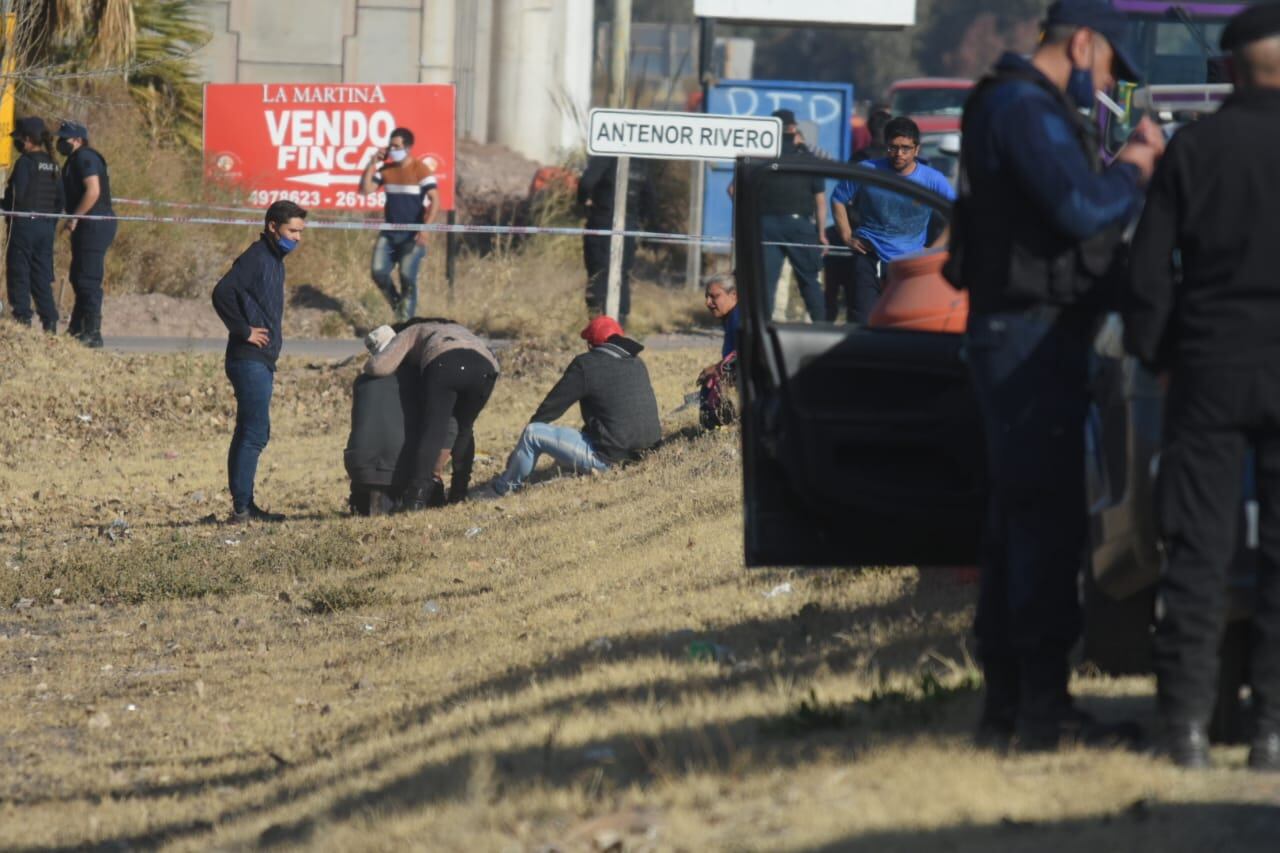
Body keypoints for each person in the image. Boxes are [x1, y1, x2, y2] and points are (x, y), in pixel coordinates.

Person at [944, 0, 1163, 750]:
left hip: (1025, 329)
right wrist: (1134, 169)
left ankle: (1011, 706)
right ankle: (1041, 709)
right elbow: (1079, 207)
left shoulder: (1010, 105)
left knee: (1018, 520)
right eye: (1107, 70)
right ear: (1083, 43)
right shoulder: (1022, 109)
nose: (1106, 87)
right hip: (1028, 335)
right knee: (1043, 521)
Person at [1125, 4, 1280, 771]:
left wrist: (1157, 351)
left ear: (1227, 69)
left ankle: (1185, 726)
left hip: (1211, 365)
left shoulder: (1195, 149)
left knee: (1197, 549)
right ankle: (1272, 731)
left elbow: (1149, 269)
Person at [211, 200, 308, 524]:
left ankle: (244, 505)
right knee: (254, 433)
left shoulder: (274, 259)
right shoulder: (257, 257)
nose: (297, 238)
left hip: (261, 360)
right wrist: (243, 330)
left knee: (252, 432)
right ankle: (242, 508)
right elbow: (222, 292)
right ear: (272, 227)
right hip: (248, 359)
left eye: (300, 232)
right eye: (292, 230)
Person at [492, 316, 661, 495]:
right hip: (649, 453)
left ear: (591, 344)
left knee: (532, 434)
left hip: (610, 459)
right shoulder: (637, 363)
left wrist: (519, 448)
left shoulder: (586, 364)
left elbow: (552, 407)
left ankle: (503, 489)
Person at [829, 116, 956, 324]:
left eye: (906, 148)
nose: (899, 154)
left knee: (906, 320)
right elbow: (838, 199)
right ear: (885, 145)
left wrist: (934, 249)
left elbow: (957, 214)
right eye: (893, 148)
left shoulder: (932, 179)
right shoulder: (868, 170)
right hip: (869, 254)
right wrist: (846, 236)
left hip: (910, 262)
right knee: (863, 318)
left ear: (916, 149)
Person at [363, 318, 499, 510]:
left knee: (434, 430)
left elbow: (379, 367)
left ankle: (417, 497)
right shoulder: (460, 329)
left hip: (445, 363)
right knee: (465, 428)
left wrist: (366, 367)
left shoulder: (413, 331)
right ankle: (459, 492)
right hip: (486, 368)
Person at [345, 324, 460, 516]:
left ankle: (366, 504)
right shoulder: (418, 378)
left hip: (359, 466)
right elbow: (448, 426)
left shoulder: (361, 382)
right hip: (400, 466)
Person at [757, 108, 828, 322]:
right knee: (809, 282)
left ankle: (763, 329)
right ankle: (821, 327)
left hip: (766, 225)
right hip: (799, 226)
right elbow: (820, 201)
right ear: (794, 129)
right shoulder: (808, 159)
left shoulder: (762, 157)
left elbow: (734, 190)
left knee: (767, 284)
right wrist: (822, 233)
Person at [360, 126, 438, 322]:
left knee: (407, 277)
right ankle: (398, 306)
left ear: (408, 147)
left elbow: (435, 200)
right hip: (389, 232)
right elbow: (367, 189)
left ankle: (405, 322)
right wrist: (372, 163)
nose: (392, 149)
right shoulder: (387, 170)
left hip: (413, 234)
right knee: (378, 272)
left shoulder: (420, 169)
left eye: (396, 146)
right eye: (390, 146)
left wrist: (425, 228)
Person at [578, 155, 657, 329]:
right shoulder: (639, 159)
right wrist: (639, 221)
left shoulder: (605, 154)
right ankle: (619, 325)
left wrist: (582, 206)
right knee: (622, 275)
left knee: (598, 274)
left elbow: (586, 183)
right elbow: (650, 197)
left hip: (602, 223)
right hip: (629, 227)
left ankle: (597, 326)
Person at [57, 121, 116, 348]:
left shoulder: (85, 158)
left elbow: (93, 191)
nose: (60, 142)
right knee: (78, 277)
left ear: (78, 140)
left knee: (88, 279)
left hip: (95, 223)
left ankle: (93, 332)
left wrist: (75, 217)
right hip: (88, 223)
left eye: (65, 138)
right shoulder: (74, 160)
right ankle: (77, 328)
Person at [3, 117, 63, 332]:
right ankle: (50, 322)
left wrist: (4, 206)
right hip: (46, 228)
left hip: (24, 226)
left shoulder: (26, 163)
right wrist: (49, 223)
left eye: (19, 140)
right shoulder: (53, 164)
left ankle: (22, 321)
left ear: (28, 140)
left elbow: (17, 196)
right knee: (40, 275)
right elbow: (60, 201)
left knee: (19, 271)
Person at [697, 274, 740, 429]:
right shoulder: (730, 317)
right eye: (707, 297)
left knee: (710, 385)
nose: (708, 302)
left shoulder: (738, 319)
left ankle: (718, 429)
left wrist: (717, 368)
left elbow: (746, 351)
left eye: (714, 296)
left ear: (733, 295)